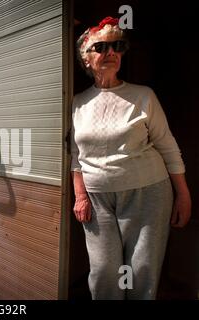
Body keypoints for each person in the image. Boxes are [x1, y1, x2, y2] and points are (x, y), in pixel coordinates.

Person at [71, 17, 192, 300]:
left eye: (117, 46)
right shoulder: (78, 102)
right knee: (103, 272)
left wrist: (183, 195)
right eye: (100, 47)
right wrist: (80, 195)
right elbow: (75, 153)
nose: (110, 52)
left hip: (148, 192)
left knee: (142, 271)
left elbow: (167, 145)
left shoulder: (144, 96)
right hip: (97, 197)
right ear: (86, 59)